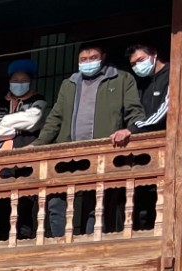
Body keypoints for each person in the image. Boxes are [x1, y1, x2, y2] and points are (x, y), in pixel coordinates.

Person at [35, 46, 142, 238]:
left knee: (96, 201)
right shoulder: (69, 84)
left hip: (102, 152)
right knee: (56, 199)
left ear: (103, 57)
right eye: (83, 59)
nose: (88, 62)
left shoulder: (121, 79)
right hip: (68, 152)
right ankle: (60, 240)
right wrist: (38, 144)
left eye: (93, 57)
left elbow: (134, 110)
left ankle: (91, 239)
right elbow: (55, 118)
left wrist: (131, 129)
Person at [0, 60, 48, 240]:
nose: (19, 84)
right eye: (15, 80)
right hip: (0, 163)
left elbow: (33, 121)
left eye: (23, 80)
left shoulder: (38, 101)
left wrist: (2, 122)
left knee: (24, 208)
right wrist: (19, 128)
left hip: (26, 161)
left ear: (31, 81)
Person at [125, 44, 170, 230]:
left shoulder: (172, 74)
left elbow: (163, 112)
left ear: (154, 54)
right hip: (143, 152)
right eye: (133, 64)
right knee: (141, 199)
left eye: (141, 60)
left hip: (166, 147)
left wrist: (133, 129)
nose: (138, 66)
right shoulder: (142, 83)